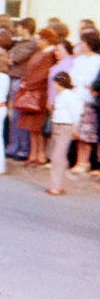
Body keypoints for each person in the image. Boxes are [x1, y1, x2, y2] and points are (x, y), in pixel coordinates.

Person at [16, 27, 58, 167]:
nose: (38, 41)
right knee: (31, 127)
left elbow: (43, 75)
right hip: (31, 92)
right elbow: (28, 69)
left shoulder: (49, 55)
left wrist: (28, 85)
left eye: (40, 39)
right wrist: (24, 80)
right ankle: (33, 153)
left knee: (38, 128)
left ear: (46, 40)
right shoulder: (39, 53)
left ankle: (41, 154)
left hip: (40, 94)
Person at [46, 71, 83, 196]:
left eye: (56, 83)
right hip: (57, 126)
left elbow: (75, 113)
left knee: (57, 156)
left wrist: (75, 128)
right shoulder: (60, 96)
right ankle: (59, 184)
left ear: (60, 83)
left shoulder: (68, 96)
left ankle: (56, 186)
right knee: (58, 156)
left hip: (65, 127)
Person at [69, 29, 100, 175]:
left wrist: (85, 83)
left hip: (89, 99)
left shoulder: (97, 60)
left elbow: (92, 80)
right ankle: (78, 160)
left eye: (83, 42)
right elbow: (72, 76)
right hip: (76, 95)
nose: (81, 44)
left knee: (86, 132)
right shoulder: (79, 60)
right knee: (77, 131)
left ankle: (85, 161)